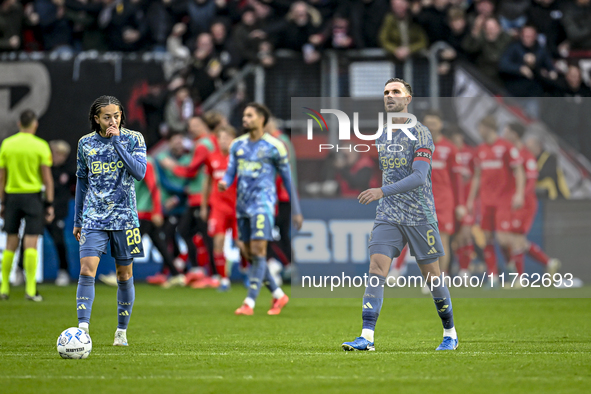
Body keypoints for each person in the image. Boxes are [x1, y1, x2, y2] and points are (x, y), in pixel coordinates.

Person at [342, 78, 458, 352]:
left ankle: (450, 333)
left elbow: (419, 177)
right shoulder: (382, 134)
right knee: (376, 269)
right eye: (386, 92)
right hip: (389, 214)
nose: (389, 96)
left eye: (395, 92)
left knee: (432, 277)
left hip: (419, 214)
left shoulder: (421, 133)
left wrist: (382, 191)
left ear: (408, 99)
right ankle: (366, 337)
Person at [73, 96, 147, 347]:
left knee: (124, 275)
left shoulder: (134, 139)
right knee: (86, 270)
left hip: (126, 219)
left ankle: (121, 332)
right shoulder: (85, 144)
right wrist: (78, 219)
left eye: (116, 115)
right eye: (107, 117)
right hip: (94, 218)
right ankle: (83, 329)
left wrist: (116, 142)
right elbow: (82, 181)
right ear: (96, 119)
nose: (113, 120)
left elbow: (139, 173)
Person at [219, 103, 302, 316]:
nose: (244, 119)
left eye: (249, 115)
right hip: (242, 206)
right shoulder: (238, 145)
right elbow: (230, 172)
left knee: (258, 251)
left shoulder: (275, 146)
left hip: (263, 205)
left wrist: (297, 209)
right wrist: (224, 182)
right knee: (249, 253)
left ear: (261, 119)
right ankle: (278, 294)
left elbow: (287, 179)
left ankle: (249, 302)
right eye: (244, 115)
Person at [0, 109, 54, 301]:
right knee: (31, 242)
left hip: (12, 196)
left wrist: (2, 202)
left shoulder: (7, 144)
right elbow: (47, 179)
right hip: (32, 197)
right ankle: (30, 290)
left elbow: (1, 178)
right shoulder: (40, 146)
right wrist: (49, 203)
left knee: (10, 243)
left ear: (19, 124)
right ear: (35, 124)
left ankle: (4, 288)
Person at [466, 115, 525, 286]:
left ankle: (517, 274)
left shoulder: (506, 147)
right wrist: (471, 200)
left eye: (480, 128)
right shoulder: (480, 149)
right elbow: (477, 177)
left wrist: (519, 193)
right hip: (485, 201)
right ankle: (493, 277)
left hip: (504, 200)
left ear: (487, 127)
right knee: (486, 237)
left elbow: (518, 171)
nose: (479, 131)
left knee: (503, 238)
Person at [502, 123, 561, 278]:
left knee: (516, 238)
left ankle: (519, 278)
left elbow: (531, 180)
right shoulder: (507, 153)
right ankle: (548, 262)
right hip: (510, 201)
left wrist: (520, 195)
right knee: (509, 239)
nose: (503, 133)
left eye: (506, 130)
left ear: (514, 134)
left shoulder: (526, 155)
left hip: (524, 203)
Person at [201, 125, 238, 292]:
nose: (224, 141)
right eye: (221, 138)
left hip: (238, 206)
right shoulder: (211, 157)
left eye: (227, 138)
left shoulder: (240, 158)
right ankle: (224, 279)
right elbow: (207, 182)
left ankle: (246, 270)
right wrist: (204, 206)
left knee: (242, 244)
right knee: (218, 241)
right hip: (218, 206)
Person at [49, 140, 76, 287]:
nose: (56, 156)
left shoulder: (69, 170)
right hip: (41, 209)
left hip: (59, 212)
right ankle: (21, 270)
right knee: (28, 240)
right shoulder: (44, 168)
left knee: (59, 241)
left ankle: (63, 271)